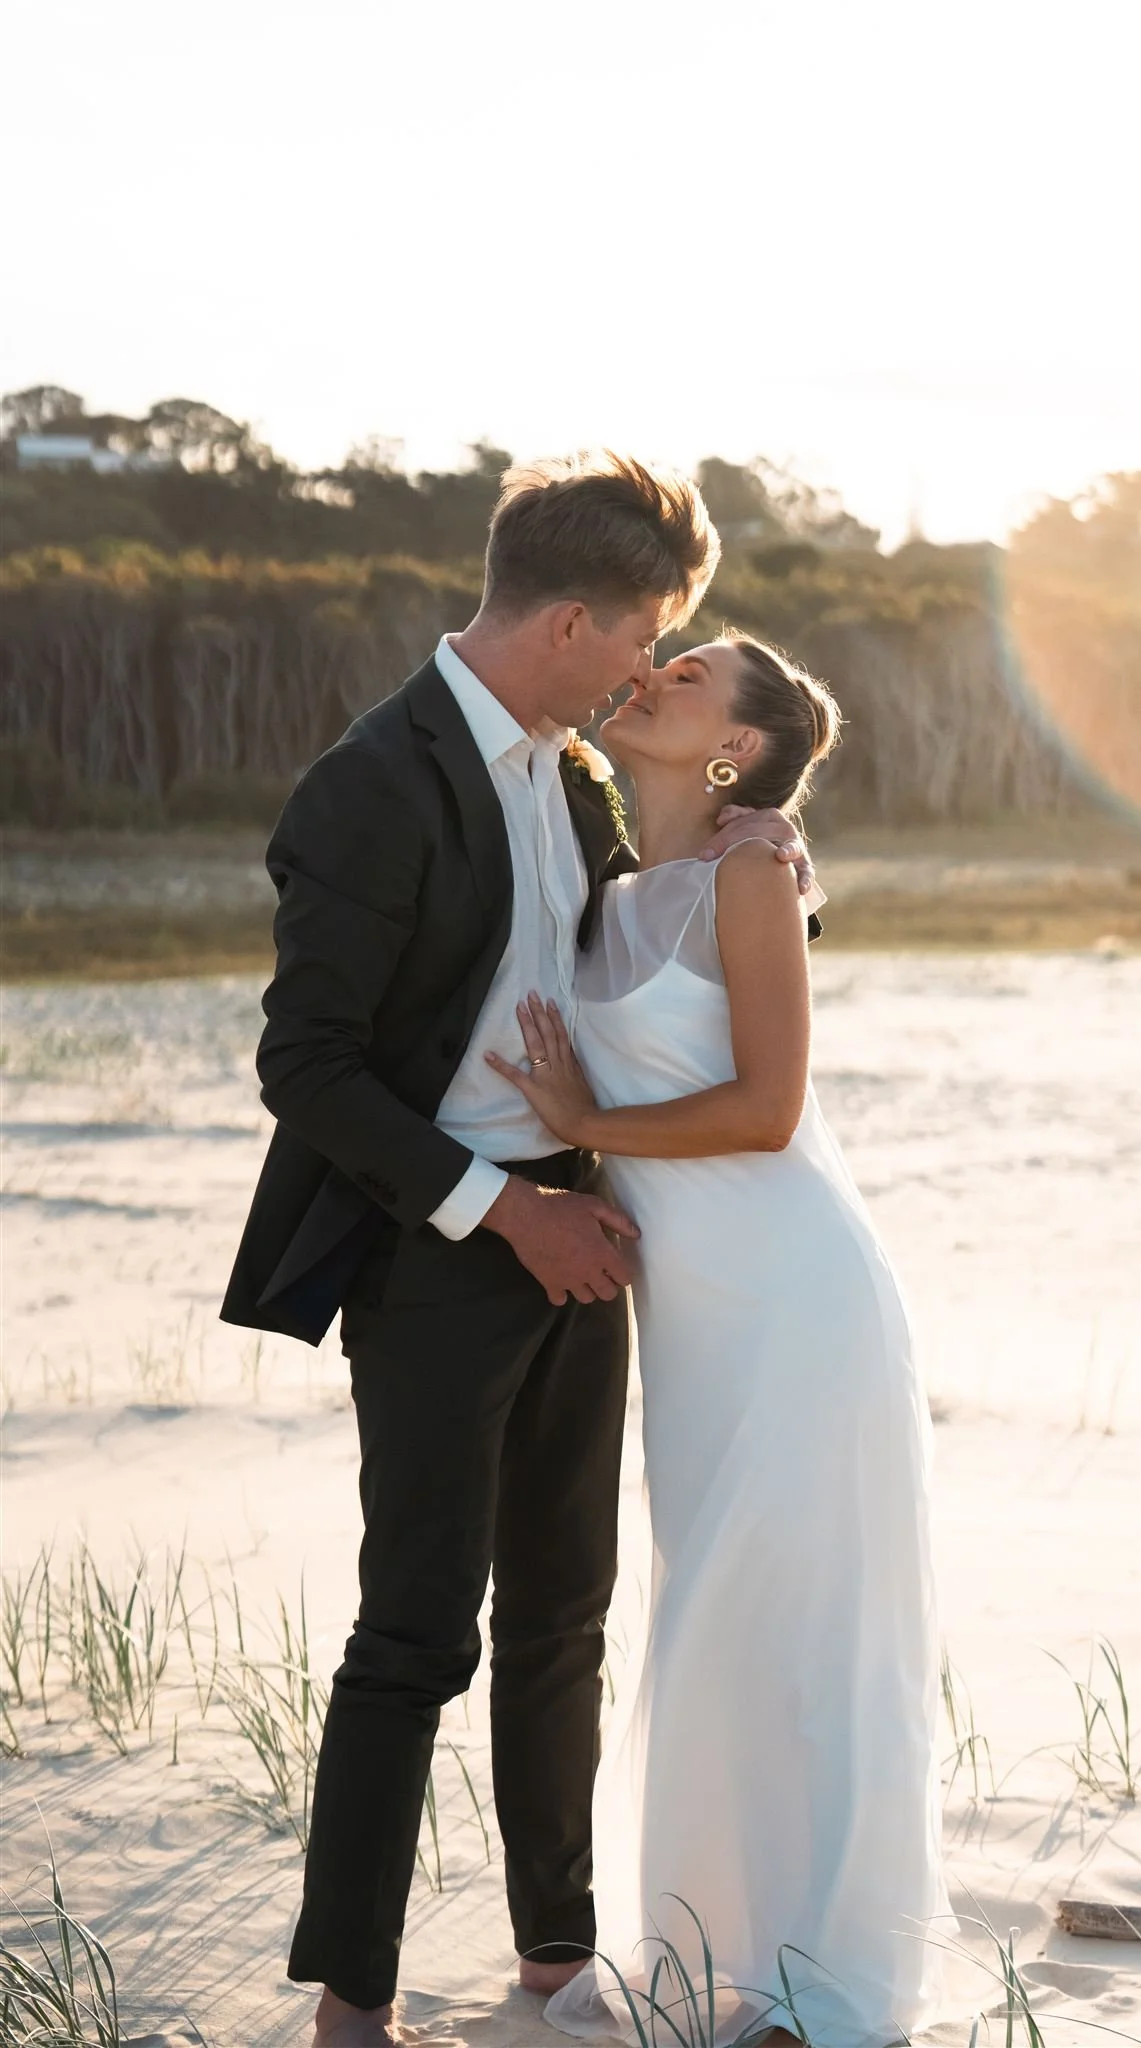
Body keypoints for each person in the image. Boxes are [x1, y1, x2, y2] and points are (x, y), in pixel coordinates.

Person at [219, 454, 816, 2047]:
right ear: (573, 620)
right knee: (416, 1629)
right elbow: (309, 1065)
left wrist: (769, 856)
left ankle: (557, 1960)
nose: (648, 674)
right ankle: (353, 2000)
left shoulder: (572, 776)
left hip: (586, 1233)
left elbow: (645, 951)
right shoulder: (371, 782)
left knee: (568, 1617)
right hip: (441, 1250)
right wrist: (507, 1211)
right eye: (643, 643)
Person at [485, 632, 955, 2048]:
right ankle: (722, 1954)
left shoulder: (754, 878)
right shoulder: (608, 880)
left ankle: (829, 1982)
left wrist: (587, 1130)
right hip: (695, 1328)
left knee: (817, 1629)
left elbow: (765, 1107)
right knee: (719, 1620)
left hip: (804, 1304)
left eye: (688, 676)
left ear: (735, 751)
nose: (653, 675)